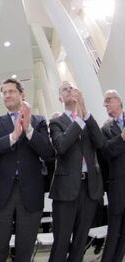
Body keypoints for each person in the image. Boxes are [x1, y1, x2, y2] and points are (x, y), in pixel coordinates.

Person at [0, 78, 54, 261]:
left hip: (30, 192)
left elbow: (47, 152)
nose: (7, 95)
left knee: (25, 246)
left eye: (11, 91)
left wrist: (29, 129)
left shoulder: (39, 121)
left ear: (22, 94)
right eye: (4, 92)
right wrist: (13, 137)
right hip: (1, 192)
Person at [48, 82, 104, 262]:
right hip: (66, 190)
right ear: (60, 98)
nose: (70, 90)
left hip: (89, 188)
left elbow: (101, 143)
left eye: (72, 88)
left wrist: (85, 112)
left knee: (81, 240)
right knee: (61, 241)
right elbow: (61, 146)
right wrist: (78, 121)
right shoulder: (56, 122)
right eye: (65, 89)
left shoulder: (88, 119)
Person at [100, 89, 125, 262]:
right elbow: (107, 151)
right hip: (117, 186)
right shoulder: (105, 128)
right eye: (105, 101)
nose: (106, 104)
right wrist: (122, 137)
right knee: (114, 229)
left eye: (108, 100)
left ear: (118, 101)